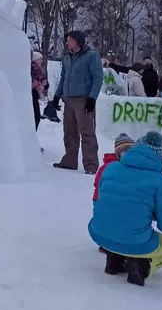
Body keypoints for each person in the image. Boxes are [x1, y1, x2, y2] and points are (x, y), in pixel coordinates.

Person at [89, 131, 162, 287]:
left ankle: (114, 260)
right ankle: (141, 264)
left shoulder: (109, 169)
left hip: (99, 233)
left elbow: (101, 202)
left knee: (118, 221)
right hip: (134, 240)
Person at [51, 31, 104, 174]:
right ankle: (69, 161)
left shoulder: (91, 56)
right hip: (68, 100)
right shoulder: (67, 58)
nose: (67, 43)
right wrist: (57, 96)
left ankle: (91, 166)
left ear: (77, 41)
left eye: (69, 40)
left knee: (87, 133)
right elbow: (63, 78)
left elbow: (98, 78)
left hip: (84, 100)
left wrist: (92, 98)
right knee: (69, 132)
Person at [92, 133, 134, 203]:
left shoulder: (135, 166)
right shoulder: (107, 167)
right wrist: (97, 201)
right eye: (124, 152)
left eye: (130, 152)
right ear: (118, 154)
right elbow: (98, 185)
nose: (128, 155)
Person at [31, 51, 47, 131]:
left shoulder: (38, 69)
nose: (41, 61)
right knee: (35, 118)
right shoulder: (35, 69)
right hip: (32, 96)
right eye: (40, 59)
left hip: (35, 95)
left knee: (36, 118)